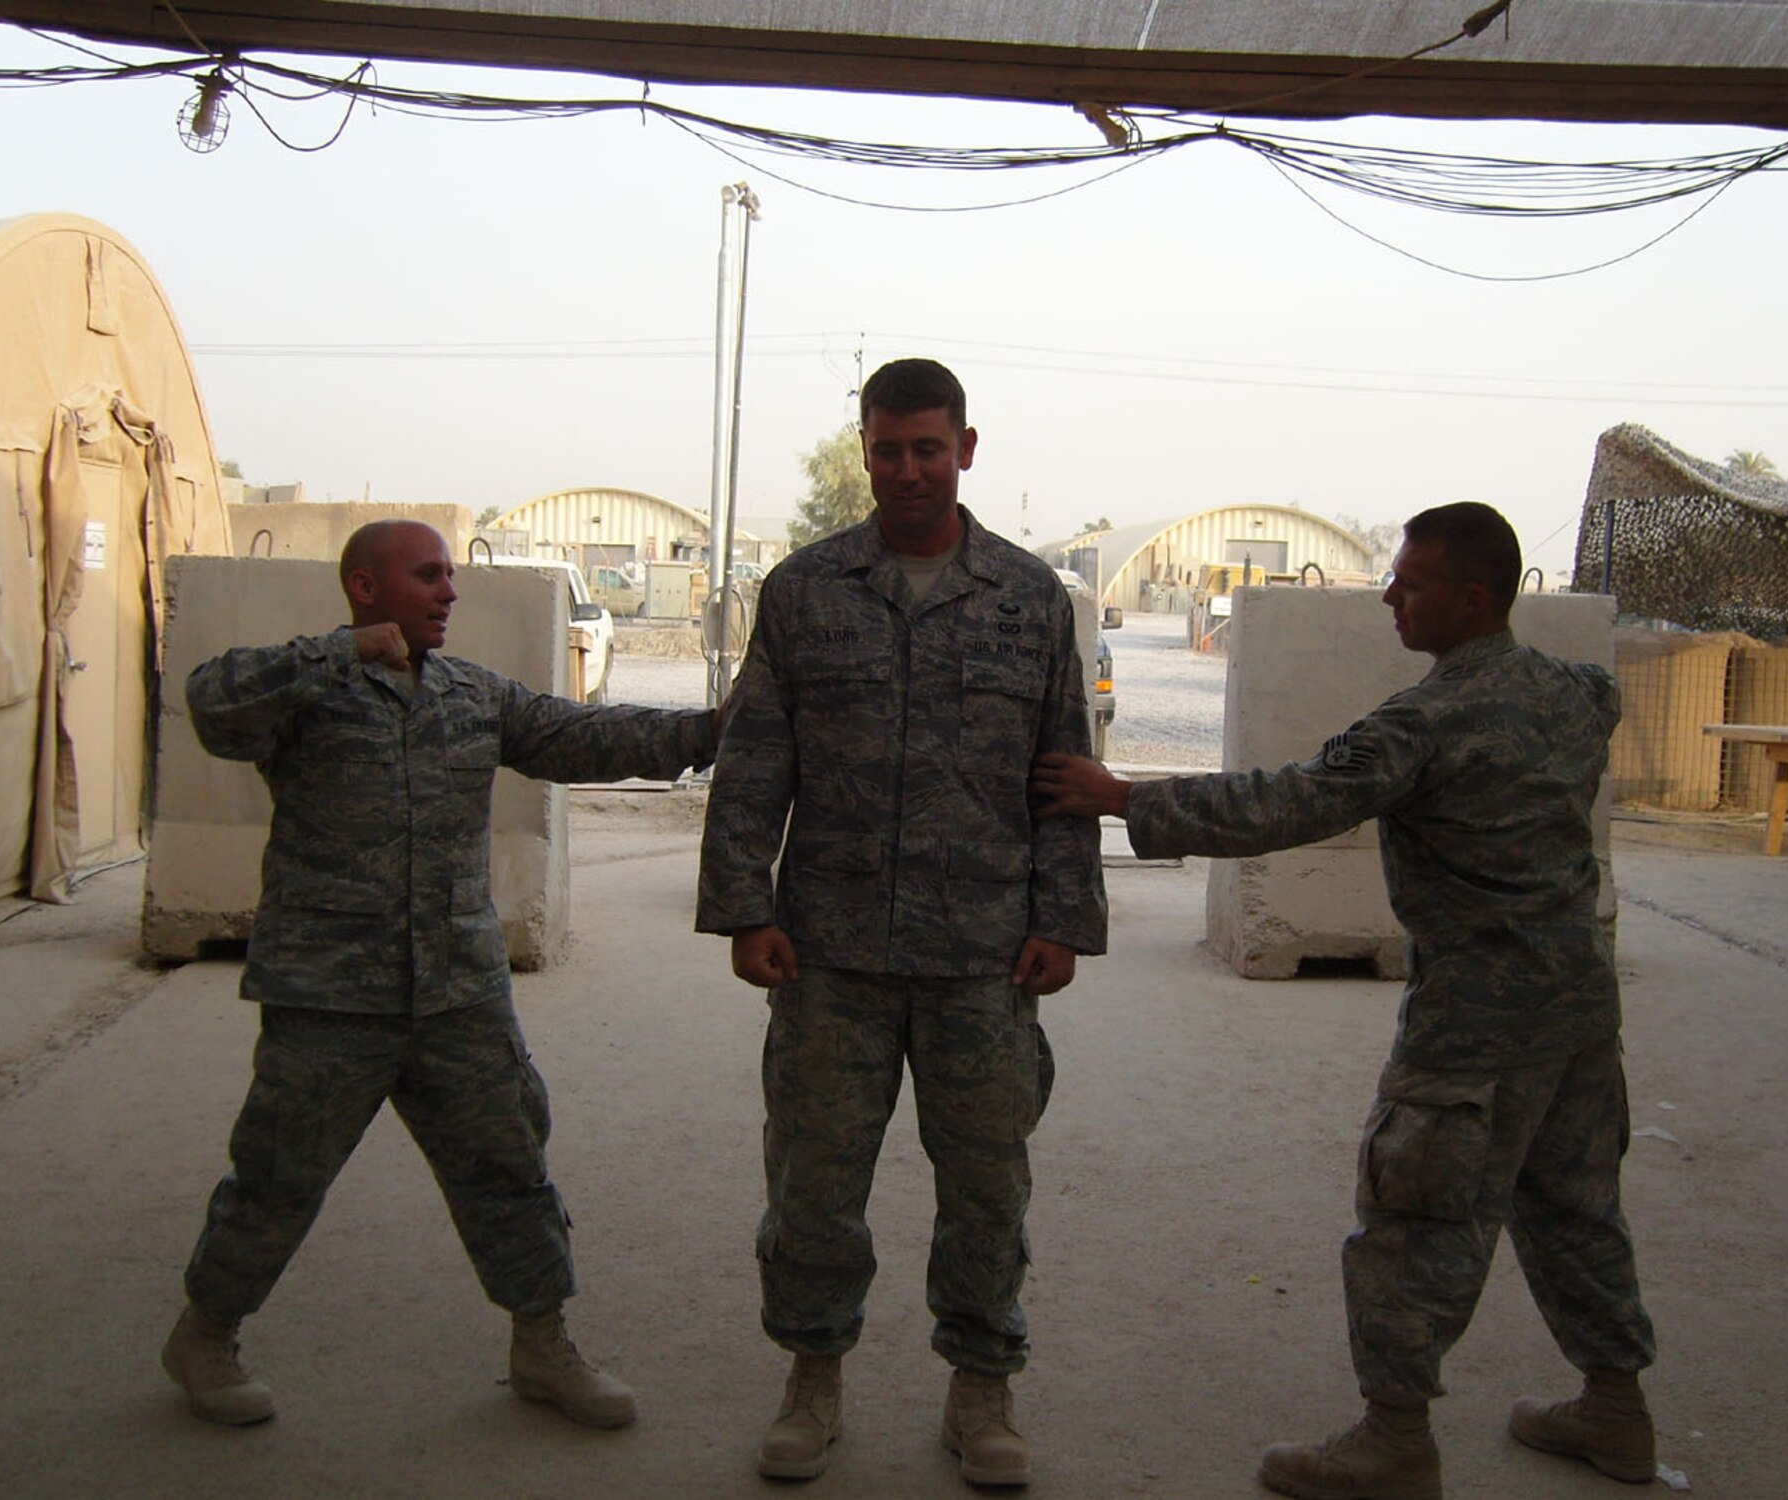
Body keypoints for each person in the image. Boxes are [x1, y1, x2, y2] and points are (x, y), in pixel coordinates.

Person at [1032, 502, 1657, 1500]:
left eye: (1408, 583)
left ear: (1470, 597)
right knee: (1575, 1206)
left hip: (1473, 1024)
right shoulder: (1574, 697)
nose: (1389, 596)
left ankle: (1393, 1439)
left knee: (1415, 1214)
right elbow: (1600, 701)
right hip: (1576, 1007)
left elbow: (1287, 803)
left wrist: (1120, 798)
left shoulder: (1424, 723)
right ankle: (1616, 1408)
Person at [161, 520, 719, 1431]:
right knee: (276, 1177)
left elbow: (578, 737)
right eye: (428, 576)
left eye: (450, 576)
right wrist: (338, 654)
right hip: (330, 996)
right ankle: (205, 1333)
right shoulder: (308, 692)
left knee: (509, 1167)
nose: (449, 592)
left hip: (457, 991)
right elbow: (210, 703)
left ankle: (541, 1344)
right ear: (365, 587)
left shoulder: (471, 695)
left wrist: (705, 730)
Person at [697, 358, 1107, 1486]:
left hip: (983, 954)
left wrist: (1062, 919)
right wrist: (742, 906)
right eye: (887, 449)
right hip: (828, 949)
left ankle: (981, 1391)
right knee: (814, 1181)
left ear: (965, 449)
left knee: (986, 1184)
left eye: (929, 448)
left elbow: (1064, 769)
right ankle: (812, 1379)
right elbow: (756, 758)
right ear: (864, 450)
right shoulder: (804, 589)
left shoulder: (1030, 599)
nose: (908, 469)